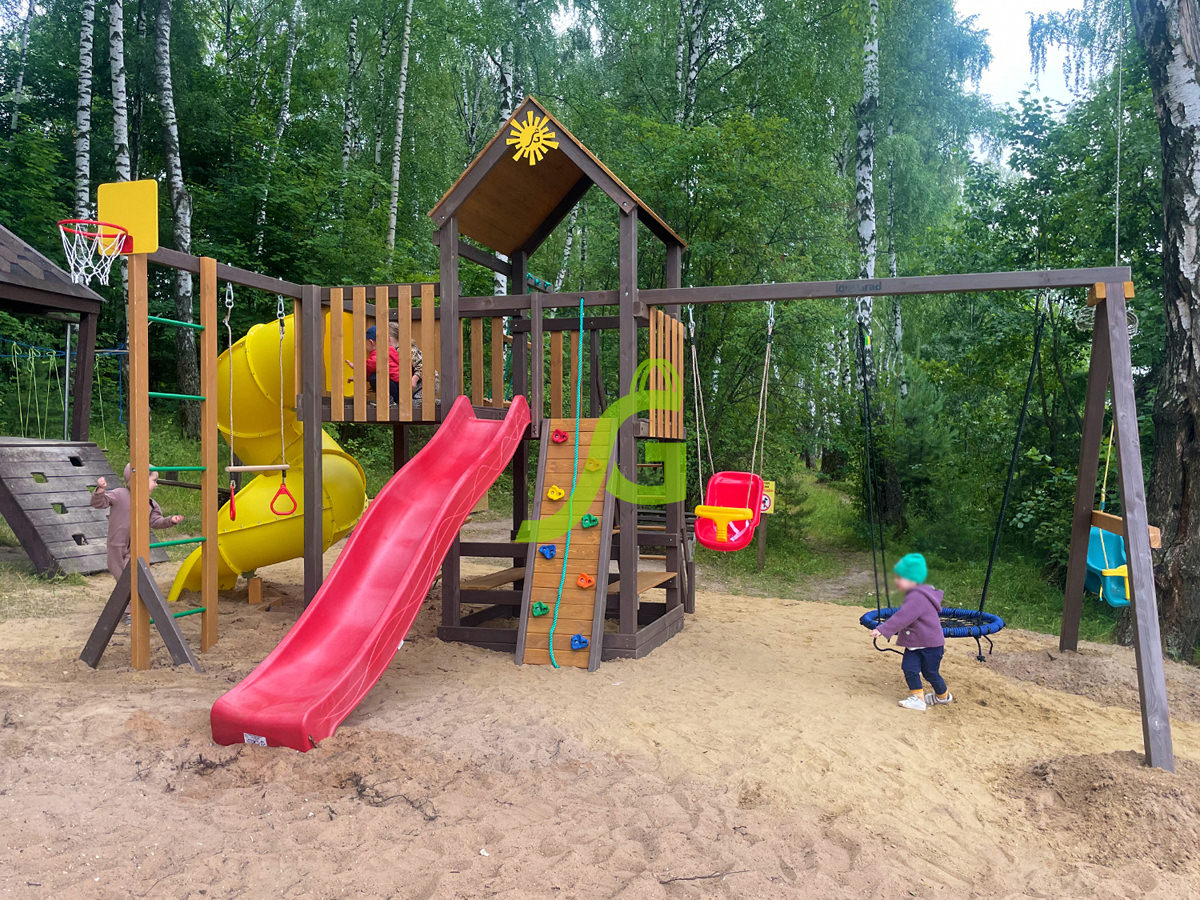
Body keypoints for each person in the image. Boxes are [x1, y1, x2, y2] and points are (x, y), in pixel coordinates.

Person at [868, 552, 954, 711]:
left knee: (930, 673)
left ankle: (942, 696)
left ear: (912, 579)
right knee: (909, 668)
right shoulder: (917, 594)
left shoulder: (918, 597)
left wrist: (883, 629)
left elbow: (903, 617)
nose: (896, 581)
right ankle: (919, 699)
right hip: (917, 643)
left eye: (900, 577)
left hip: (930, 645)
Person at [363, 324, 402, 404]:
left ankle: (389, 399)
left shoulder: (380, 353)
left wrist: (358, 367)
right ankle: (390, 399)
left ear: (371, 342)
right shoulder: (391, 350)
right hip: (399, 385)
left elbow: (372, 364)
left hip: (395, 386)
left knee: (375, 377)